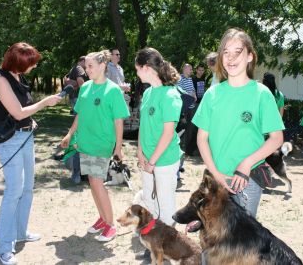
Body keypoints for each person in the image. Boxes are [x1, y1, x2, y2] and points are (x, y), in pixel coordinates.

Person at [192, 28, 284, 217]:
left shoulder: (262, 94)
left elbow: (276, 138)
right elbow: (202, 139)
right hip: (216, 179)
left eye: (237, 52)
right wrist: (216, 175)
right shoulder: (212, 95)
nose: (231, 58)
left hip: (246, 180)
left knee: (242, 243)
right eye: (225, 52)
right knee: (216, 240)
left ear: (250, 56)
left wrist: (246, 164)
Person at [0, 42, 62, 265]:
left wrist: (30, 121)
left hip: (25, 136)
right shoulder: (1, 80)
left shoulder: (18, 78)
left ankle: (20, 232)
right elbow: (17, 111)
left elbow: (23, 113)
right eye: (30, 63)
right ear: (19, 63)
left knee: (27, 188)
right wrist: (45, 102)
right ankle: (3, 247)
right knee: (13, 191)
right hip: (10, 142)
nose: (33, 67)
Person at [61, 50, 130, 242]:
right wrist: (69, 134)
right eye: (86, 66)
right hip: (85, 142)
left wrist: (118, 147)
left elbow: (118, 121)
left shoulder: (113, 90)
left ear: (102, 67)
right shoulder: (85, 88)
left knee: (98, 183)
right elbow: (80, 114)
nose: (86, 70)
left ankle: (111, 225)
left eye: (90, 66)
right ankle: (102, 218)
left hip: (102, 143)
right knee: (92, 181)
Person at [135, 47, 183, 226]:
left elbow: (168, 133)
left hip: (164, 160)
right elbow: (144, 126)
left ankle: (166, 248)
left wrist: (153, 162)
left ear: (146, 68)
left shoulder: (170, 95)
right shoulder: (147, 93)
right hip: (147, 160)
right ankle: (153, 246)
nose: (137, 74)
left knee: (165, 205)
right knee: (149, 201)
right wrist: (140, 152)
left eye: (137, 69)